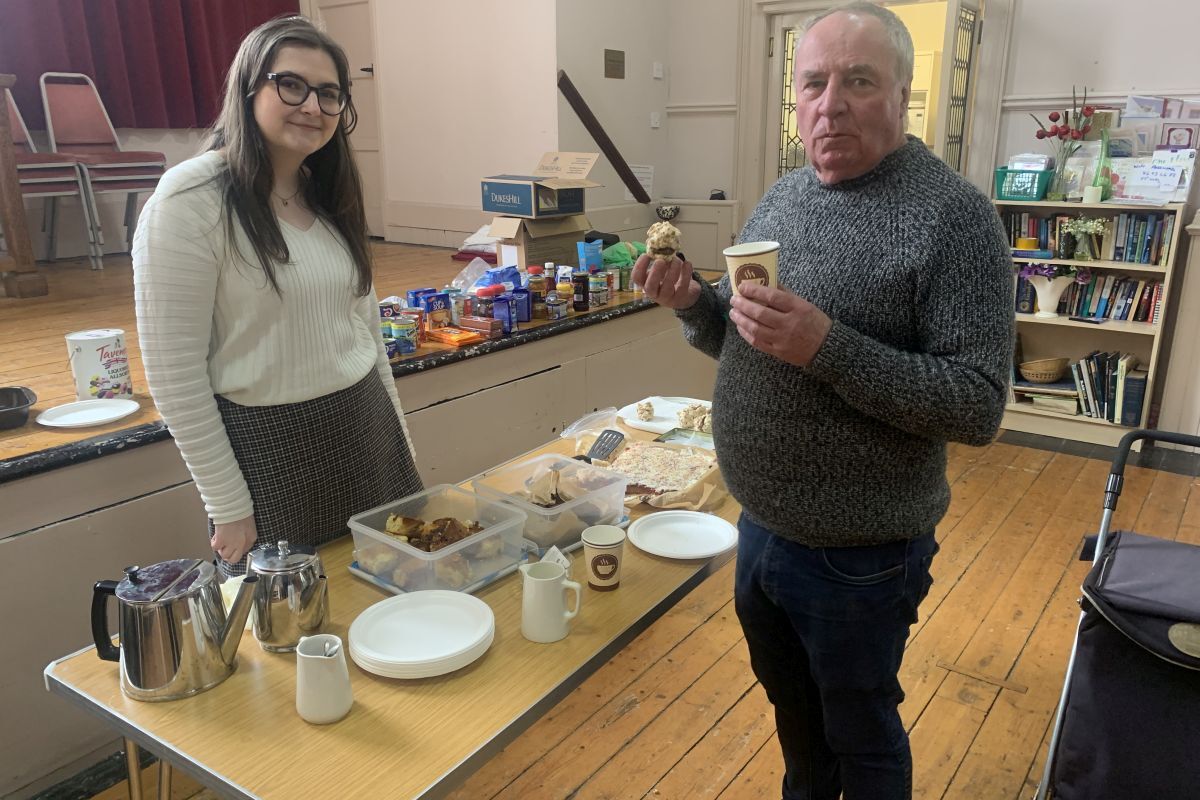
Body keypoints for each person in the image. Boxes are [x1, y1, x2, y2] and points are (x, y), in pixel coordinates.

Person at [632, 3, 1013, 798]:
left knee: (860, 732)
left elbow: (976, 405)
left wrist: (827, 346)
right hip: (760, 526)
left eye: (858, 81)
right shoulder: (784, 197)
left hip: (860, 554)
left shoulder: (956, 218)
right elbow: (745, 340)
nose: (829, 103)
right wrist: (691, 304)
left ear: (902, 92)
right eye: (812, 82)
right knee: (797, 721)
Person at [133, 17, 422, 574]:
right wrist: (227, 504)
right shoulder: (191, 199)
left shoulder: (328, 193)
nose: (313, 106)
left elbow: (364, 334)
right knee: (296, 640)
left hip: (367, 432)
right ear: (249, 88)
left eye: (330, 93)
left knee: (396, 602)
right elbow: (174, 375)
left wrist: (401, 442)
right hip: (272, 454)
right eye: (292, 85)